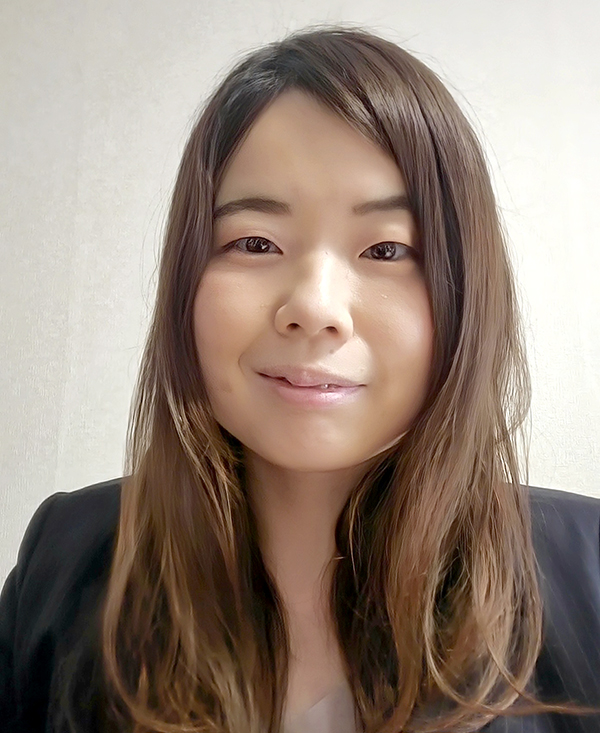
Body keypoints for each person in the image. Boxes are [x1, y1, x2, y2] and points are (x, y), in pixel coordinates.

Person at [1, 23, 599, 733]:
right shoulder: (63, 560)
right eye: (255, 242)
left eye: (386, 249)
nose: (314, 307)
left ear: (465, 293)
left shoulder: (588, 573)